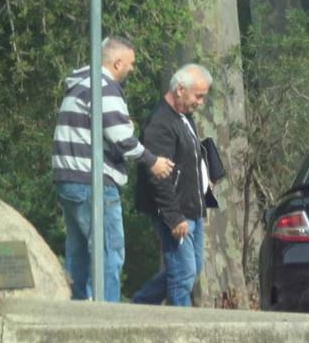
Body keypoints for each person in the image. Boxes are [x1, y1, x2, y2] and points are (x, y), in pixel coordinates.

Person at [52, 36, 174, 302]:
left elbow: (103, 126)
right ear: (117, 62)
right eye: (130, 64)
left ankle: (78, 311)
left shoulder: (81, 84)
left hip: (69, 179)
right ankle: (107, 316)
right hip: (93, 182)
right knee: (109, 252)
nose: (132, 69)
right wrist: (153, 161)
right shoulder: (104, 87)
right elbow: (120, 136)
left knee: (80, 254)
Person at [133, 64, 213, 306]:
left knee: (192, 267)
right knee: (183, 275)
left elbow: (190, 155)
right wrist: (173, 216)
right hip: (176, 211)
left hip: (193, 208)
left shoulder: (184, 117)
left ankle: (141, 304)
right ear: (180, 90)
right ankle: (187, 330)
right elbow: (158, 176)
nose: (200, 102)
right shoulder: (160, 123)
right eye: (198, 96)